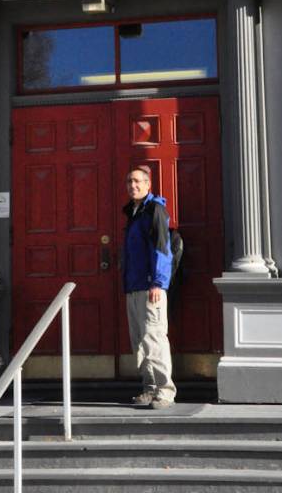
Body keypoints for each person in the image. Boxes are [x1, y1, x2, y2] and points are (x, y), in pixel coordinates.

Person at [122, 165, 177, 410]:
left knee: (154, 338)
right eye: (129, 182)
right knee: (139, 341)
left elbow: (162, 249)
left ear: (147, 185)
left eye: (137, 181)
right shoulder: (134, 213)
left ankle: (165, 391)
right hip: (133, 287)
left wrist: (158, 282)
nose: (133, 186)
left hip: (150, 287)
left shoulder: (155, 210)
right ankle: (149, 388)